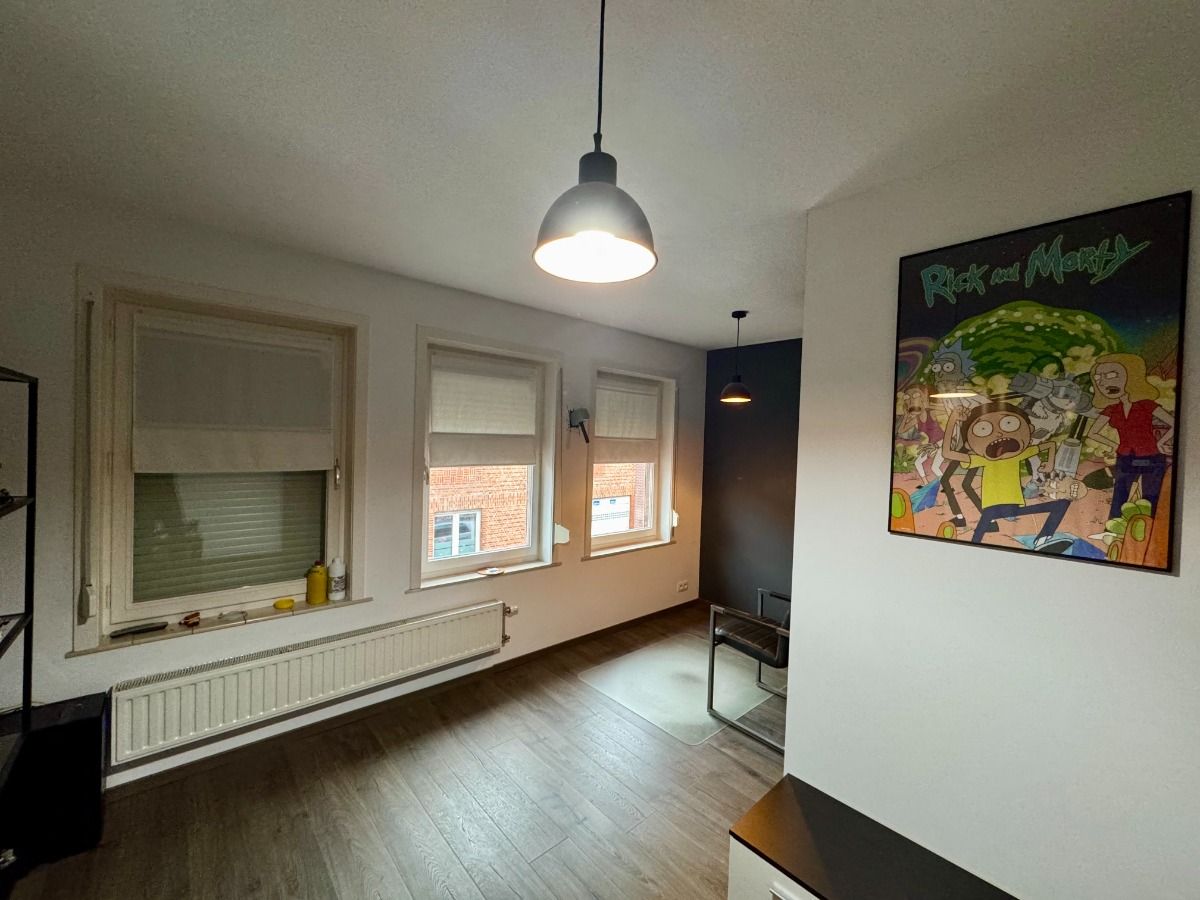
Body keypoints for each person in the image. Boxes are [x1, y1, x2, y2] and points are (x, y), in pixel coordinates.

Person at [941, 402, 1070, 548]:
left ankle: (1044, 536)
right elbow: (947, 453)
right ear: (969, 445)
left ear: (1030, 429)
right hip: (992, 509)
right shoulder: (982, 459)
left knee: (1062, 504)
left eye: (1009, 424)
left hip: (1009, 506)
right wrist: (953, 420)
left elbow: (1050, 445)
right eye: (983, 429)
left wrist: (1050, 463)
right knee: (977, 538)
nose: (998, 434)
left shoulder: (1017, 455)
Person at [1086, 353, 1174, 518]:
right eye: (1098, 378)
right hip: (1126, 457)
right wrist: (1114, 445)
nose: (1103, 382)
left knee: (1151, 498)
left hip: (1152, 457)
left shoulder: (1146, 404)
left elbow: (1172, 423)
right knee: (1119, 497)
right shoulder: (1112, 409)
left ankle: (1150, 530)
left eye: (1111, 375)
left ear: (1131, 376)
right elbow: (1093, 432)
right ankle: (1113, 528)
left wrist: (1161, 442)